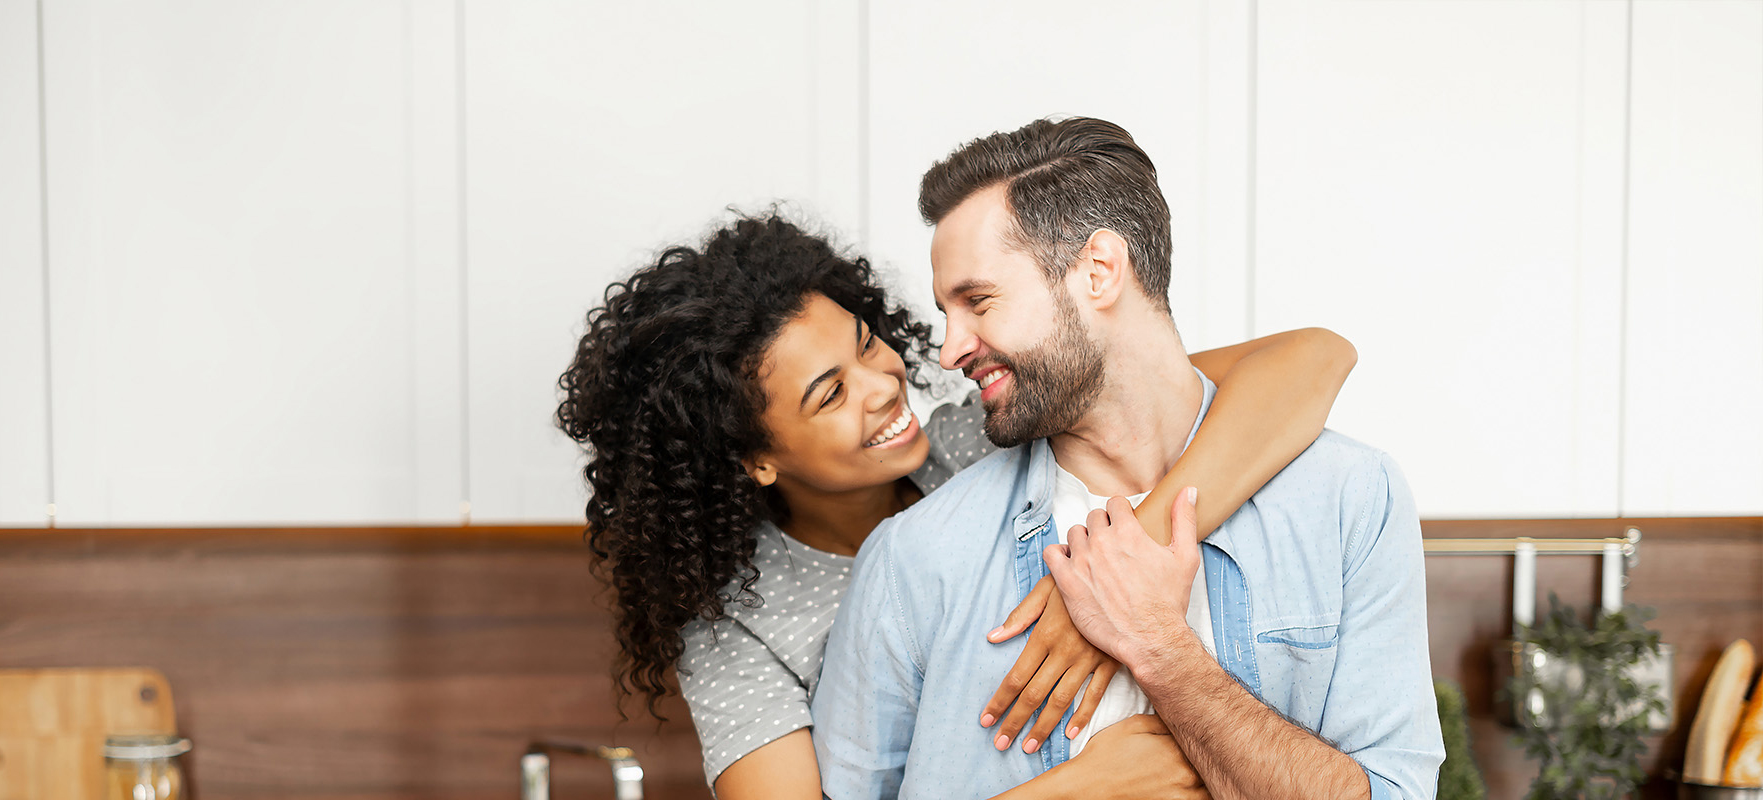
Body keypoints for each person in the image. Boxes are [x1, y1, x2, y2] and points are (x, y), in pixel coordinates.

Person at [556, 213, 1357, 800]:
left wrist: (1119, 577)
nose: (884, 388)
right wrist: (1086, 790)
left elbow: (1312, 358)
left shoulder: (986, 436)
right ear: (753, 460)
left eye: (867, 344)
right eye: (831, 393)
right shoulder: (737, 624)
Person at [810, 117, 1444, 800]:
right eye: (945, 312)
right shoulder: (915, 558)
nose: (950, 349)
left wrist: (1161, 651)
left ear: (1099, 271)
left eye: (979, 302)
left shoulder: (1351, 500)